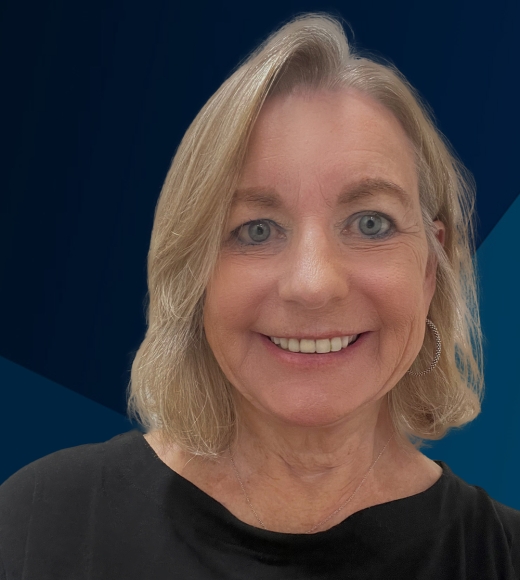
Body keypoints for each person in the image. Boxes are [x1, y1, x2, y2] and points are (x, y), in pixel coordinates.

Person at [1, 13, 519, 580]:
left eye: (371, 223)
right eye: (256, 230)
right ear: (195, 274)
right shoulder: (37, 526)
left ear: (429, 271)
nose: (313, 284)